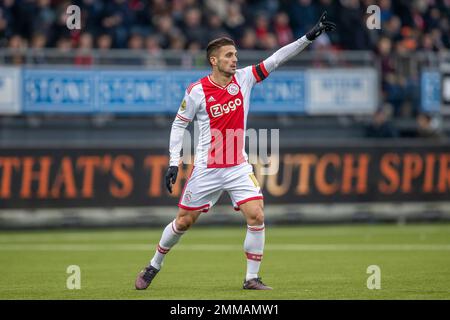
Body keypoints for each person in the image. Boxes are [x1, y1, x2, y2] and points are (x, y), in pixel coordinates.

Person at [135, 12, 336, 291]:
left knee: (257, 214)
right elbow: (178, 125)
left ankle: (251, 278)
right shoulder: (196, 91)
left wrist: (308, 37)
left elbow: (276, 59)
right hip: (207, 167)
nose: (235, 59)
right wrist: (174, 162)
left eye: (236, 55)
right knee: (183, 222)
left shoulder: (245, 79)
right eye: (229, 55)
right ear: (214, 60)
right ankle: (154, 265)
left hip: (238, 165)